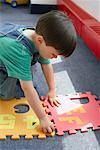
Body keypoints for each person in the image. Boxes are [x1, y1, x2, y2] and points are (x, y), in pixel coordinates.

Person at [0, 10, 77, 133]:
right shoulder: (20, 51)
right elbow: (27, 88)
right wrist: (43, 118)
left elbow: (46, 64)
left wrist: (52, 90)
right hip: (4, 61)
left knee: (29, 74)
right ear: (40, 40)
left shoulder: (37, 37)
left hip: (10, 54)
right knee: (9, 95)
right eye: (54, 54)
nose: (55, 58)